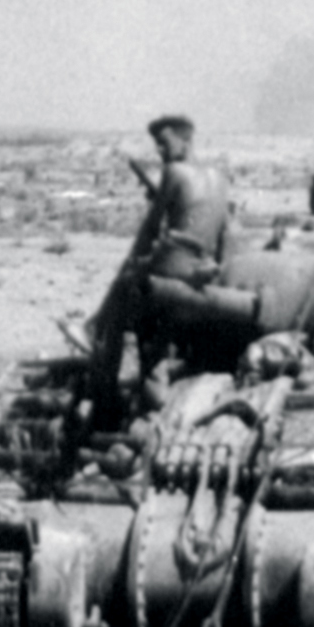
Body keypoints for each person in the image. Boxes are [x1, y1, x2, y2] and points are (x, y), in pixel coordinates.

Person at [84, 112, 236, 415]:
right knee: (154, 317)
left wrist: (134, 265)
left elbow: (149, 230)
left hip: (173, 269)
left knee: (121, 304)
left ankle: (105, 398)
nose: (161, 152)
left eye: (165, 144)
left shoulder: (175, 173)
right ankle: (152, 386)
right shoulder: (219, 177)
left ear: (186, 139)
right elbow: (226, 232)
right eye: (157, 146)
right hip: (200, 274)